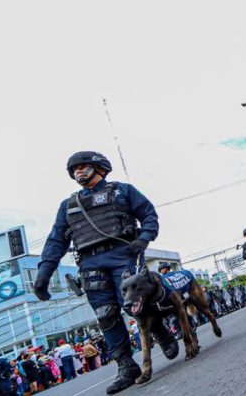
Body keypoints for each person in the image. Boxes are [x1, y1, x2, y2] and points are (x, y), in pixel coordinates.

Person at [35, 151, 166, 394]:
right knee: (105, 315)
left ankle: (160, 331)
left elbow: (149, 215)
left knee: (132, 305)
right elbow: (55, 241)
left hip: (122, 254)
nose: (79, 172)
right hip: (89, 264)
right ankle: (126, 366)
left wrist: (144, 238)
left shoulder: (123, 191)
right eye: (75, 169)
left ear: (101, 168)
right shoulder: (68, 206)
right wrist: (44, 273)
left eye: (84, 166)